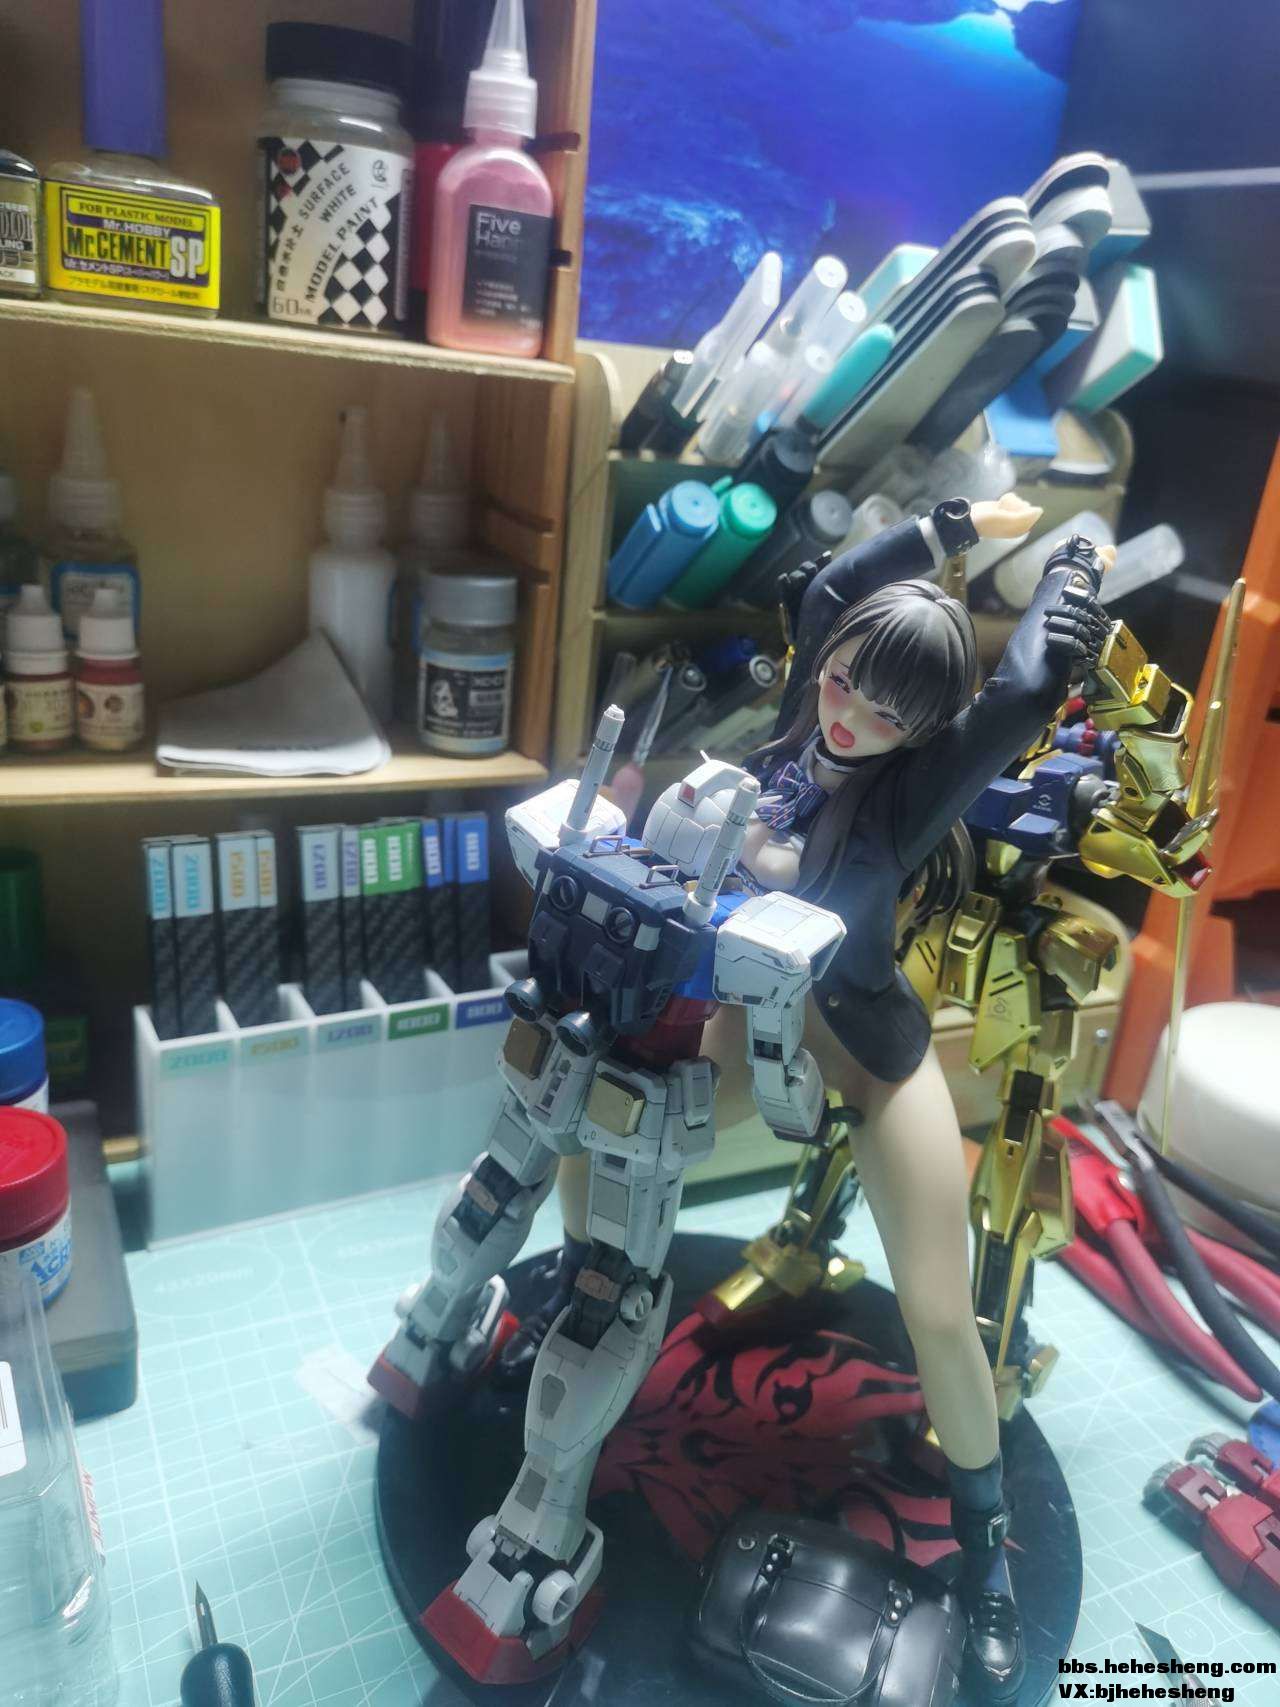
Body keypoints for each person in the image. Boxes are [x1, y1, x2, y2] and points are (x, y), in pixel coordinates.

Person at [715, 505, 1112, 1702]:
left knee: (941, 1312)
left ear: (921, 731)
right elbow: (832, 587)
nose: (848, 718)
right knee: (601, 1127)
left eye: (885, 713)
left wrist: (1072, 566)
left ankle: (985, 1569)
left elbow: (1024, 686)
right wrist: (945, 525)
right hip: (739, 1019)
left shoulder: (905, 796)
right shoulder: (794, 725)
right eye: (842, 684)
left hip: (860, 1043)